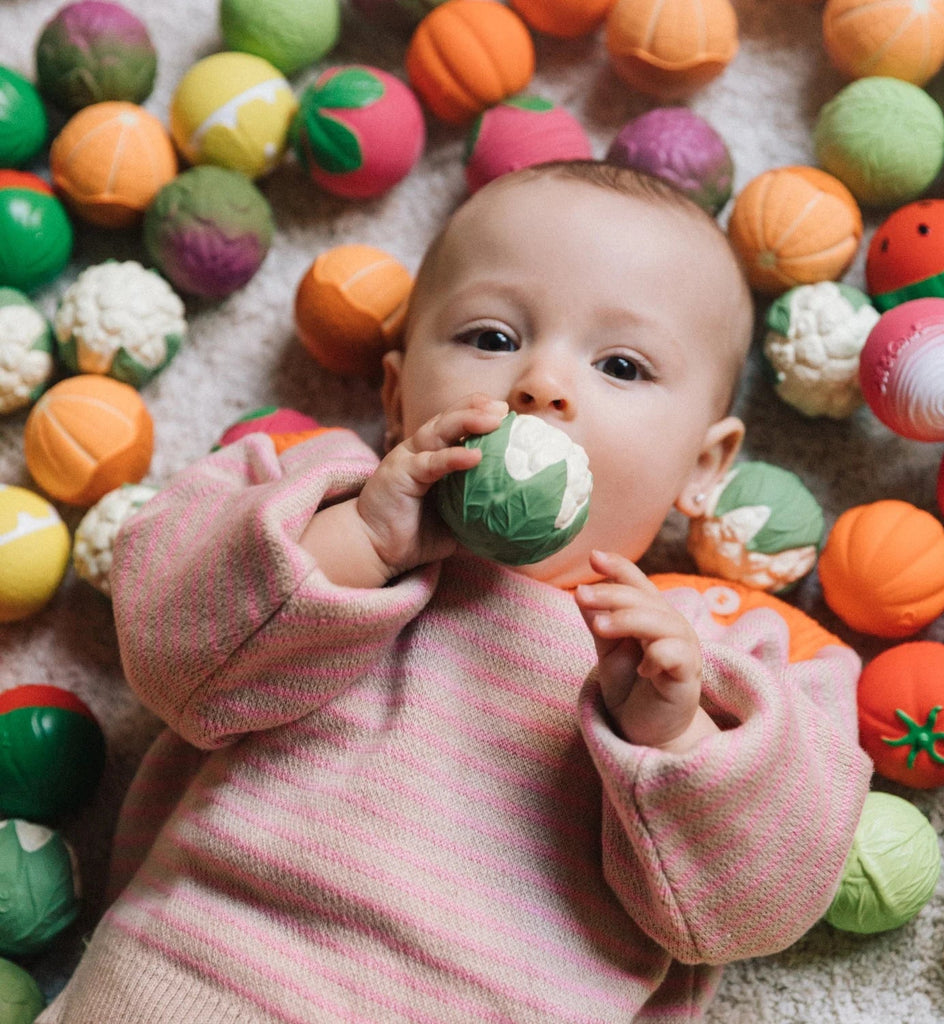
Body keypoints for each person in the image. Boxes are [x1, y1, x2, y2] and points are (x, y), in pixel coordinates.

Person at [38, 161, 872, 1024]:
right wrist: (356, 541)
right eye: (491, 338)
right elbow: (169, 657)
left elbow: (756, 910)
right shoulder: (317, 498)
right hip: (207, 979)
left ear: (703, 465)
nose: (542, 385)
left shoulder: (724, 661)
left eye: (620, 365)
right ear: (396, 398)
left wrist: (674, 730)